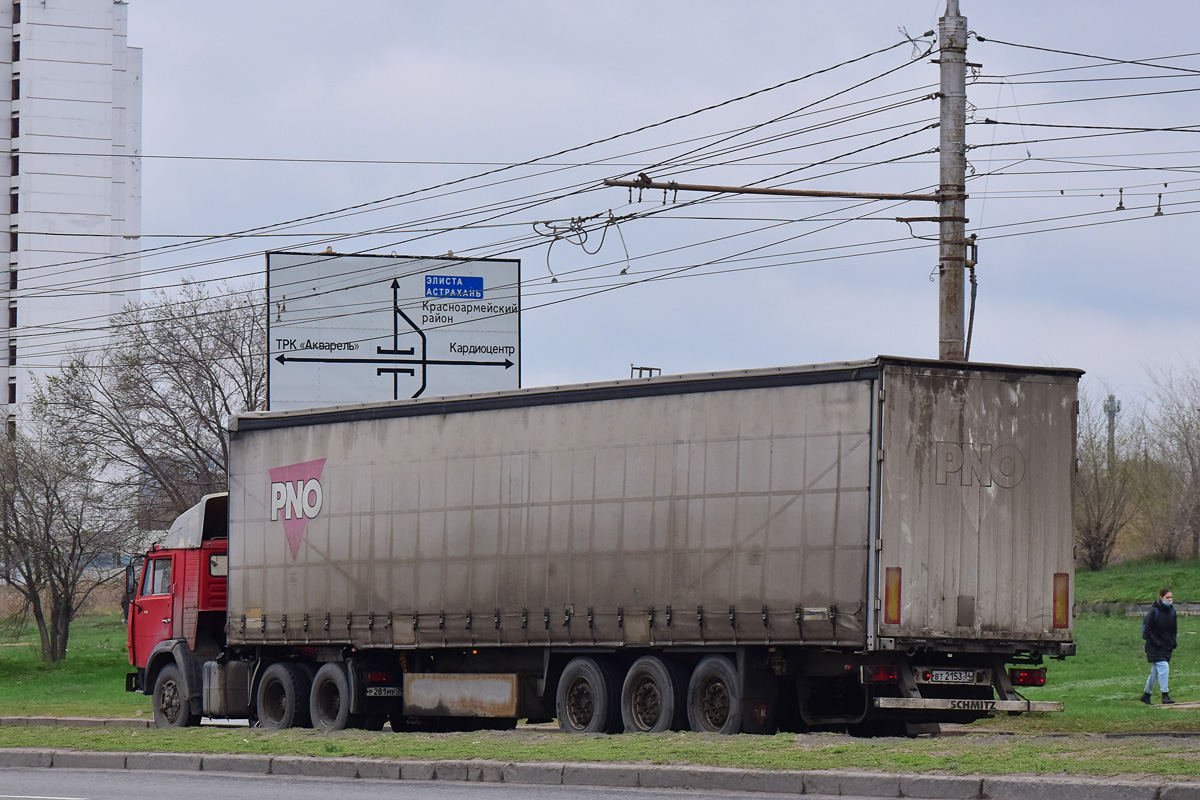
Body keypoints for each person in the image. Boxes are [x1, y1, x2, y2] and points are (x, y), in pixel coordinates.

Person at [1141, 588, 1178, 705]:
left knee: (1156, 672)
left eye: (1171, 597)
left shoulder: (1172, 611)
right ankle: (1165, 695)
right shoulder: (1154, 611)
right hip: (1154, 647)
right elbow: (1148, 630)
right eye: (1167, 597)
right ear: (1161, 598)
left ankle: (1146, 695)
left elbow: (1174, 629)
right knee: (1164, 667)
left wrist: (1173, 641)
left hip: (1166, 646)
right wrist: (1157, 642)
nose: (1170, 600)